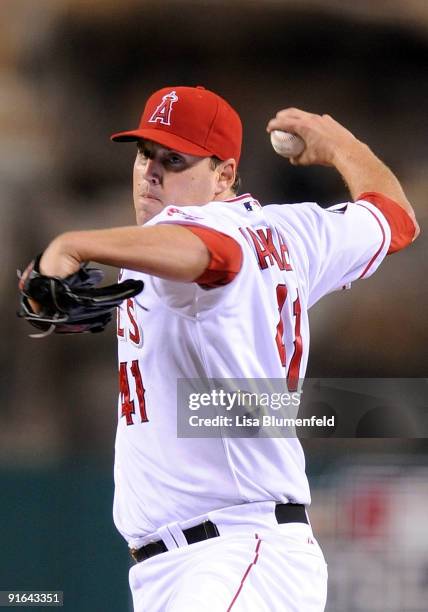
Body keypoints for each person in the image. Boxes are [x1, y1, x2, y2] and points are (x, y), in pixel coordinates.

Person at [26, 85, 419, 611]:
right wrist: (343, 145)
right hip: (224, 559)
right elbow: (394, 218)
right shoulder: (296, 229)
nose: (152, 172)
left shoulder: (196, 227)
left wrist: (71, 243)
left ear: (224, 175)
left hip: (230, 553)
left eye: (175, 159)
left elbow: (215, 255)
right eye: (144, 154)